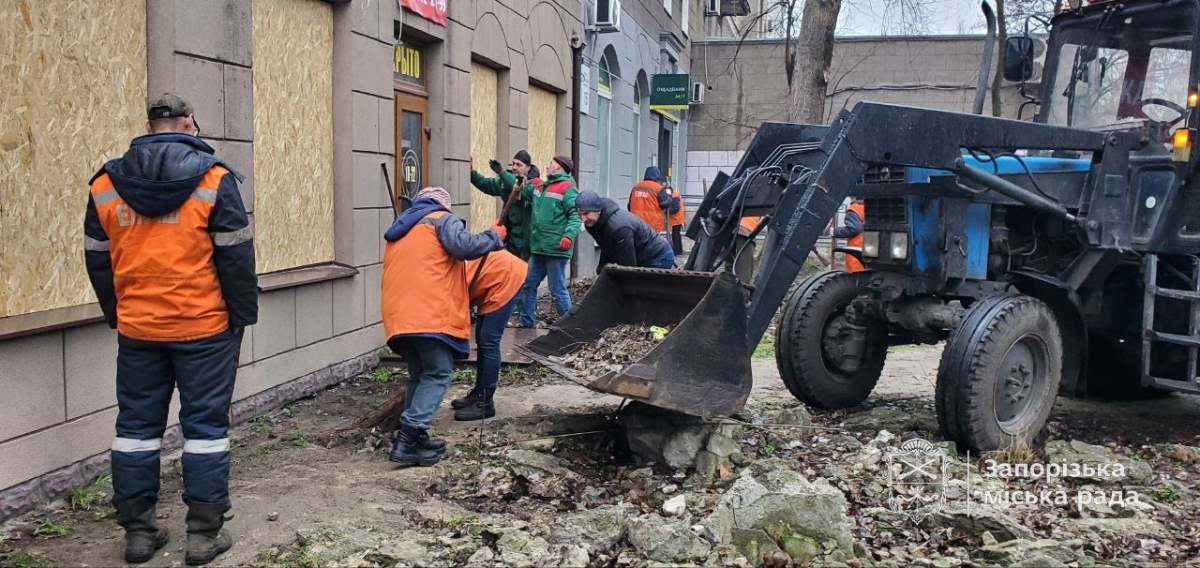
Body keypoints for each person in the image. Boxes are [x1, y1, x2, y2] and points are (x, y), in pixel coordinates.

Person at [84, 93, 257, 566]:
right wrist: (241, 317)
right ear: (189, 123)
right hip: (204, 328)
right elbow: (237, 259)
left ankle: (139, 534)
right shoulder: (214, 179)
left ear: (148, 126)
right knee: (204, 430)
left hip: (139, 330)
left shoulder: (106, 184)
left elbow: (97, 262)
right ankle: (202, 537)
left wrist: (119, 316)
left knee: (136, 428)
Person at [381, 187, 504, 466]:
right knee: (438, 372)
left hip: (398, 316)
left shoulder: (402, 227)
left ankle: (416, 436)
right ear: (442, 205)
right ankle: (409, 439)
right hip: (428, 312)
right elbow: (464, 247)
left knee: (419, 373)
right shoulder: (440, 218)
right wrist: (494, 237)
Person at [451, 250, 528, 421]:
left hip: (506, 277)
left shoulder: (443, 279)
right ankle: (479, 392)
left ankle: (486, 403)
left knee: (489, 341)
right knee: (481, 338)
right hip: (490, 278)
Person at [516, 156, 580, 327]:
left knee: (557, 289)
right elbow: (528, 192)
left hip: (555, 248)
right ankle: (527, 324)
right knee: (528, 285)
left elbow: (576, 215)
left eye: (551, 163)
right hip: (539, 248)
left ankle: (568, 327)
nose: (547, 165)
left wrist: (568, 236)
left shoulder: (568, 189)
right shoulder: (542, 186)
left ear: (559, 167)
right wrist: (517, 180)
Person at [575, 190, 675, 271]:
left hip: (658, 255)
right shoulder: (593, 224)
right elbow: (607, 250)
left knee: (645, 291)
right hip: (642, 254)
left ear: (598, 210)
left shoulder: (619, 227)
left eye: (586, 213)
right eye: (580, 215)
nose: (583, 219)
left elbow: (627, 265)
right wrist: (601, 272)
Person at [469, 150, 540, 261]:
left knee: (527, 273)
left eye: (519, 164)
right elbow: (486, 184)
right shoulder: (504, 182)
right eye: (513, 164)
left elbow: (520, 187)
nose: (514, 167)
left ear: (528, 168)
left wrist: (502, 172)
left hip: (528, 239)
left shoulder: (535, 184)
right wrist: (471, 173)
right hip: (512, 238)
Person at [628, 166, 673, 233]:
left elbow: (629, 205)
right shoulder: (658, 188)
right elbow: (666, 203)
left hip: (635, 223)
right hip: (652, 225)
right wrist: (669, 193)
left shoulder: (636, 187)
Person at [835, 198, 866, 272]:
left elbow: (853, 229)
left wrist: (834, 231)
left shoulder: (856, 208)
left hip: (857, 255)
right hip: (871, 253)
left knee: (856, 280)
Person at [665, 183, 686, 255]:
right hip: (676, 218)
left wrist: (666, 211)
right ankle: (678, 251)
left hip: (677, 218)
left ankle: (677, 251)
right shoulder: (673, 194)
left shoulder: (674, 196)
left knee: (675, 235)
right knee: (676, 235)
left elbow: (675, 209)